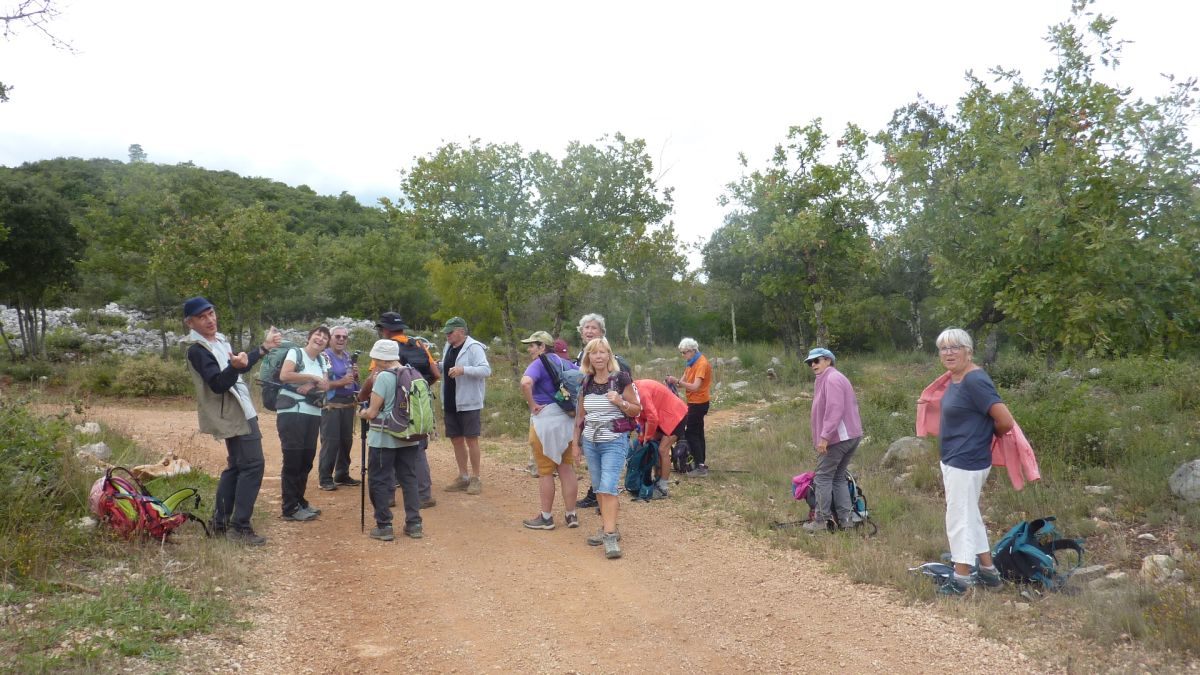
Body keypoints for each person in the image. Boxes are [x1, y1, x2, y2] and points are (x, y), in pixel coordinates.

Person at [183, 297, 280, 546]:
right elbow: (218, 384)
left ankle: (220, 523)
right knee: (253, 465)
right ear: (190, 322)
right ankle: (240, 528)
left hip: (241, 410)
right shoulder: (197, 349)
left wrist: (263, 349)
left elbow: (240, 366)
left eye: (211, 313)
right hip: (233, 413)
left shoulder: (220, 340)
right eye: (202, 317)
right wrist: (235, 368)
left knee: (237, 466)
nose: (210, 319)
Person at [933, 328, 1014, 595]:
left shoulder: (975, 380)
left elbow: (1004, 420)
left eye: (955, 347)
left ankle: (962, 579)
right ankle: (990, 573)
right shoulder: (957, 378)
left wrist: (983, 438)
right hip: (956, 458)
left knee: (958, 519)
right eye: (944, 348)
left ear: (969, 350)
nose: (949, 352)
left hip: (967, 461)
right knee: (970, 514)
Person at [574, 337, 641, 559]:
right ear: (588, 358)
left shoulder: (621, 379)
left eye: (603, 352)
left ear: (609, 355)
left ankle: (610, 536)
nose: (599, 356)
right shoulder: (586, 381)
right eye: (594, 353)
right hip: (591, 442)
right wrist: (576, 444)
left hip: (614, 440)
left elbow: (636, 410)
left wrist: (620, 402)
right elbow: (580, 416)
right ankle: (608, 527)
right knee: (598, 487)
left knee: (607, 487)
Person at [357, 339, 425, 541]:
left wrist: (361, 413)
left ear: (379, 358)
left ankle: (384, 525)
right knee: (409, 479)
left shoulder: (384, 378)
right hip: (409, 436)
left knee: (379, 479)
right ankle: (414, 524)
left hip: (384, 439)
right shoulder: (414, 373)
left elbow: (372, 412)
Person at [375, 312, 441, 507]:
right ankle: (423, 495)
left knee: (387, 447)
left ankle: (388, 497)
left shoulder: (386, 348)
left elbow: (376, 377)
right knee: (417, 448)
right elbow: (436, 373)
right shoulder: (419, 345)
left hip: (393, 404)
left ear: (385, 330)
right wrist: (420, 389)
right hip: (419, 402)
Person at [519, 331, 581, 531]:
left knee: (546, 471)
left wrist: (532, 404)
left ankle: (546, 517)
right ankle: (571, 514)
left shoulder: (539, 363)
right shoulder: (566, 363)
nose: (529, 349)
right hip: (567, 420)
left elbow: (525, 382)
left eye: (532, 345)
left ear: (542, 347)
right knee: (566, 467)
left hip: (545, 422)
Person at [801, 347, 863, 533]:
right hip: (849, 436)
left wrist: (824, 437)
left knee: (822, 478)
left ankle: (820, 521)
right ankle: (846, 521)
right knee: (838, 477)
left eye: (817, 360)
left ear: (828, 360)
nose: (813, 364)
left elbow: (834, 410)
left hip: (839, 438)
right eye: (810, 362)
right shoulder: (829, 378)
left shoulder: (832, 378)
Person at [574, 313, 631, 507]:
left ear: (602, 332)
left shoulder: (613, 361)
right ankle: (597, 497)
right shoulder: (582, 356)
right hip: (591, 434)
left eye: (593, 328)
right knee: (600, 482)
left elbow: (631, 399)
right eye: (586, 328)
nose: (589, 331)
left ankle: (606, 513)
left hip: (614, 433)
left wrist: (621, 403)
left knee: (607, 485)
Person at [276, 325, 332, 522]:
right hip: (292, 411)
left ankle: (299, 500)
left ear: (327, 343)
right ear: (309, 337)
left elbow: (325, 384)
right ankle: (289, 508)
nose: (321, 338)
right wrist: (311, 377)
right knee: (293, 459)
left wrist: (311, 383)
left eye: (325, 337)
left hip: (312, 413)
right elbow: (285, 375)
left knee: (306, 459)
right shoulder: (296, 353)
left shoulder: (322, 360)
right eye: (318, 334)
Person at [439, 316, 491, 495]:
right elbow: (445, 367)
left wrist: (464, 370)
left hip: (469, 402)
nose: (447, 335)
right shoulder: (448, 347)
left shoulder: (474, 347)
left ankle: (476, 478)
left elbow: (486, 370)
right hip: (451, 401)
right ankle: (463, 476)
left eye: (450, 332)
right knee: (456, 439)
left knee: (471, 439)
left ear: (461, 331)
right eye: (446, 332)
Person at [317, 326, 362, 491]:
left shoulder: (347, 356)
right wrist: (340, 382)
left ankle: (342, 474)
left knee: (346, 440)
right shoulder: (324, 356)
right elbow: (322, 383)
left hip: (348, 403)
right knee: (331, 441)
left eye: (344, 337)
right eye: (338, 336)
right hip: (331, 404)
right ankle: (325, 478)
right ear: (330, 338)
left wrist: (355, 377)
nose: (341, 339)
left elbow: (352, 381)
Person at [632, 378, 688, 499]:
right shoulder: (631, 392)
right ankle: (656, 479)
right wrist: (643, 437)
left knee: (663, 449)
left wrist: (646, 436)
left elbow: (652, 418)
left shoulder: (641, 392)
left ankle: (663, 487)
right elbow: (640, 416)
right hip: (662, 415)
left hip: (676, 414)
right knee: (652, 445)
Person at [667, 337, 712, 477]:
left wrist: (679, 381)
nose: (683, 355)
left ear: (693, 350)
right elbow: (683, 382)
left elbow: (695, 386)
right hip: (693, 402)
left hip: (700, 403)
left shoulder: (702, 363)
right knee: (698, 433)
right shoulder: (690, 363)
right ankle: (701, 463)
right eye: (681, 353)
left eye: (685, 352)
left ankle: (700, 467)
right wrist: (673, 381)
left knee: (692, 433)